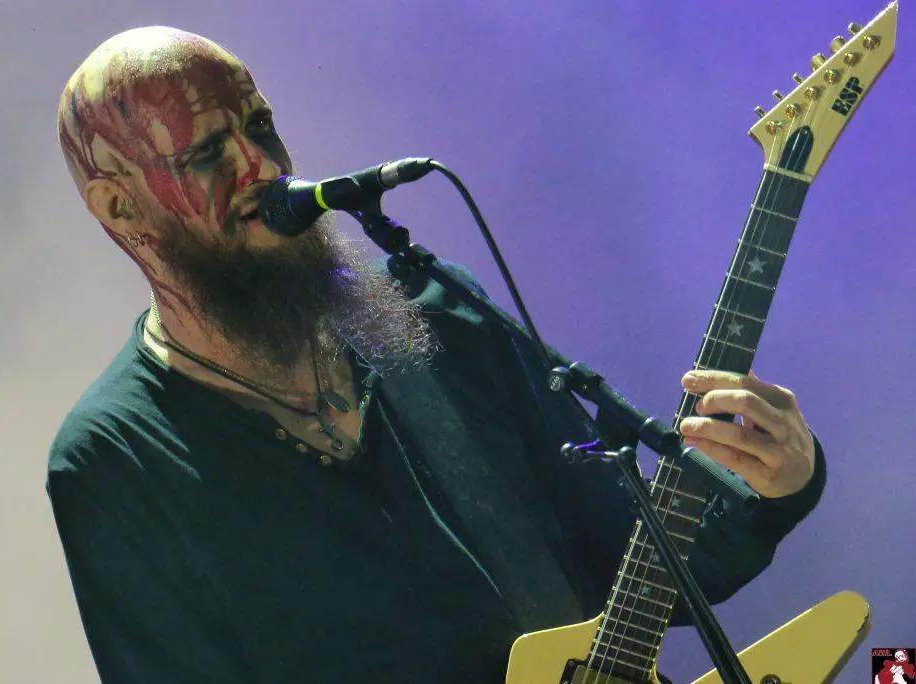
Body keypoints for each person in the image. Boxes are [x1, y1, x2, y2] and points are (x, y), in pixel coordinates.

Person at [47, 26, 826, 684]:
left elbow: (633, 558)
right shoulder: (115, 457)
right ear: (119, 206)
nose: (266, 167)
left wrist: (778, 483)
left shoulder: (434, 313)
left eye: (261, 126)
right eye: (208, 153)